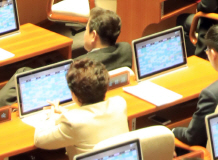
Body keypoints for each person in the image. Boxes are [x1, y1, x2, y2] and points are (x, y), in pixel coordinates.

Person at [0, 8, 132, 107]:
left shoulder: (80, 68)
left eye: (86, 29)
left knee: (22, 73)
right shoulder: (126, 50)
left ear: (93, 36)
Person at [33, 58, 129, 160]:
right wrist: (65, 112)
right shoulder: (119, 104)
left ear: (73, 94)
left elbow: (39, 140)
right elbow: (90, 118)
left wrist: (50, 116)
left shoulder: (72, 122)